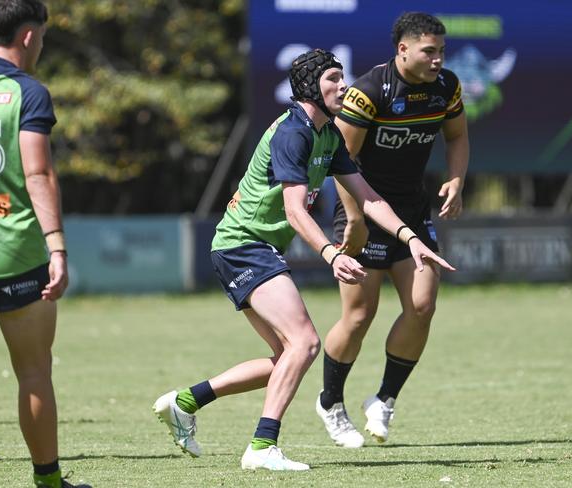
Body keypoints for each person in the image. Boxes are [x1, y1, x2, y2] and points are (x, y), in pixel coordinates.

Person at [153, 48, 454, 471]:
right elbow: (295, 211)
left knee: (286, 357)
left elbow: (367, 197)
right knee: (306, 342)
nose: (343, 85)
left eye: (343, 76)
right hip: (242, 246)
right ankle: (262, 447)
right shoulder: (293, 132)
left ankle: (186, 402)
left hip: (254, 248)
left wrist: (411, 237)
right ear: (312, 86)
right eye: (333, 78)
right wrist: (331, 253)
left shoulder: (328, 135)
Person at [315, 12, 469, 448]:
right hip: (361, 211)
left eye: (441, 51)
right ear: (403, 49)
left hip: (412, 212)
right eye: (429, 51)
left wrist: (456, 179)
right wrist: (357, 221)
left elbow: (457, 137)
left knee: (422, 305)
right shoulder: (368, 92)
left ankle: (383, 399)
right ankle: (330, 402)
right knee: (360, 315)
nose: (438, 59)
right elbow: (340, 163)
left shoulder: (446, 87)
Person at [0, 1, 89, 487]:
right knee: (33, 371)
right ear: (29, 37)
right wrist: (58, 248)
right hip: (14, 253)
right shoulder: (25, 92)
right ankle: (47, 480)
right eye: (44, 38)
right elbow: (38, 171)